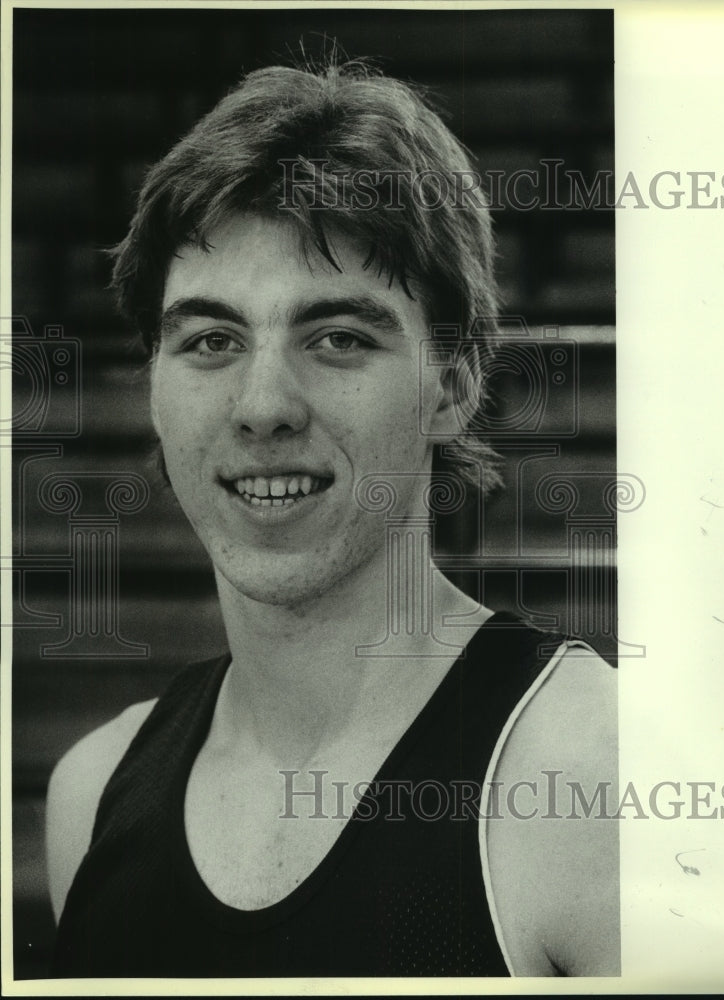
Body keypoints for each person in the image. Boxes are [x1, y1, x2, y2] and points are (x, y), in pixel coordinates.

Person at [45, 59, 619, 978]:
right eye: (210, 341)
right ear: (153, 386)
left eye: (339, 337)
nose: (262, 403)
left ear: (455, 383)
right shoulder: (93, 790)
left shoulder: (591, 783)